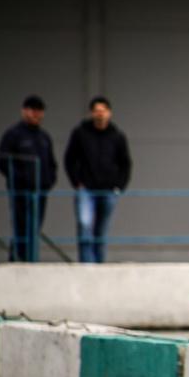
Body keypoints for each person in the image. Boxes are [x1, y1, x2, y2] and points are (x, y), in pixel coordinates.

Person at [64, 96, 132, 263]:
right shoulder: (80, 133)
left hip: (108, 191)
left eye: (103, 111)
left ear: (109, 113)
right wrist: (76, 182)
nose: (100, 115)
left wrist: (119, 187)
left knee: (101, 231)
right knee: (85, 225)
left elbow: (125, 163)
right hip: (86, 189)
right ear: (92, 113)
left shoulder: (117, 136)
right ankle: (87, 265)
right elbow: (70, 158)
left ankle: (99, 265)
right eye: (97, 111)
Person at [0, 95, 56, 262]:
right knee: (21, 226)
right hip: (20, 191)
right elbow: (2, 162)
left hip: (40, 191)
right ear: (24, 111)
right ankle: (18, 258)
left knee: (35, 227)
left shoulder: (44, 137)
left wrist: (48, 181)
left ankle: (30, 258)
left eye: (39, 111)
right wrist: (20, 179)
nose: (36, 114)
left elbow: (51, 163)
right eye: (32, 110)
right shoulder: (13, 135)